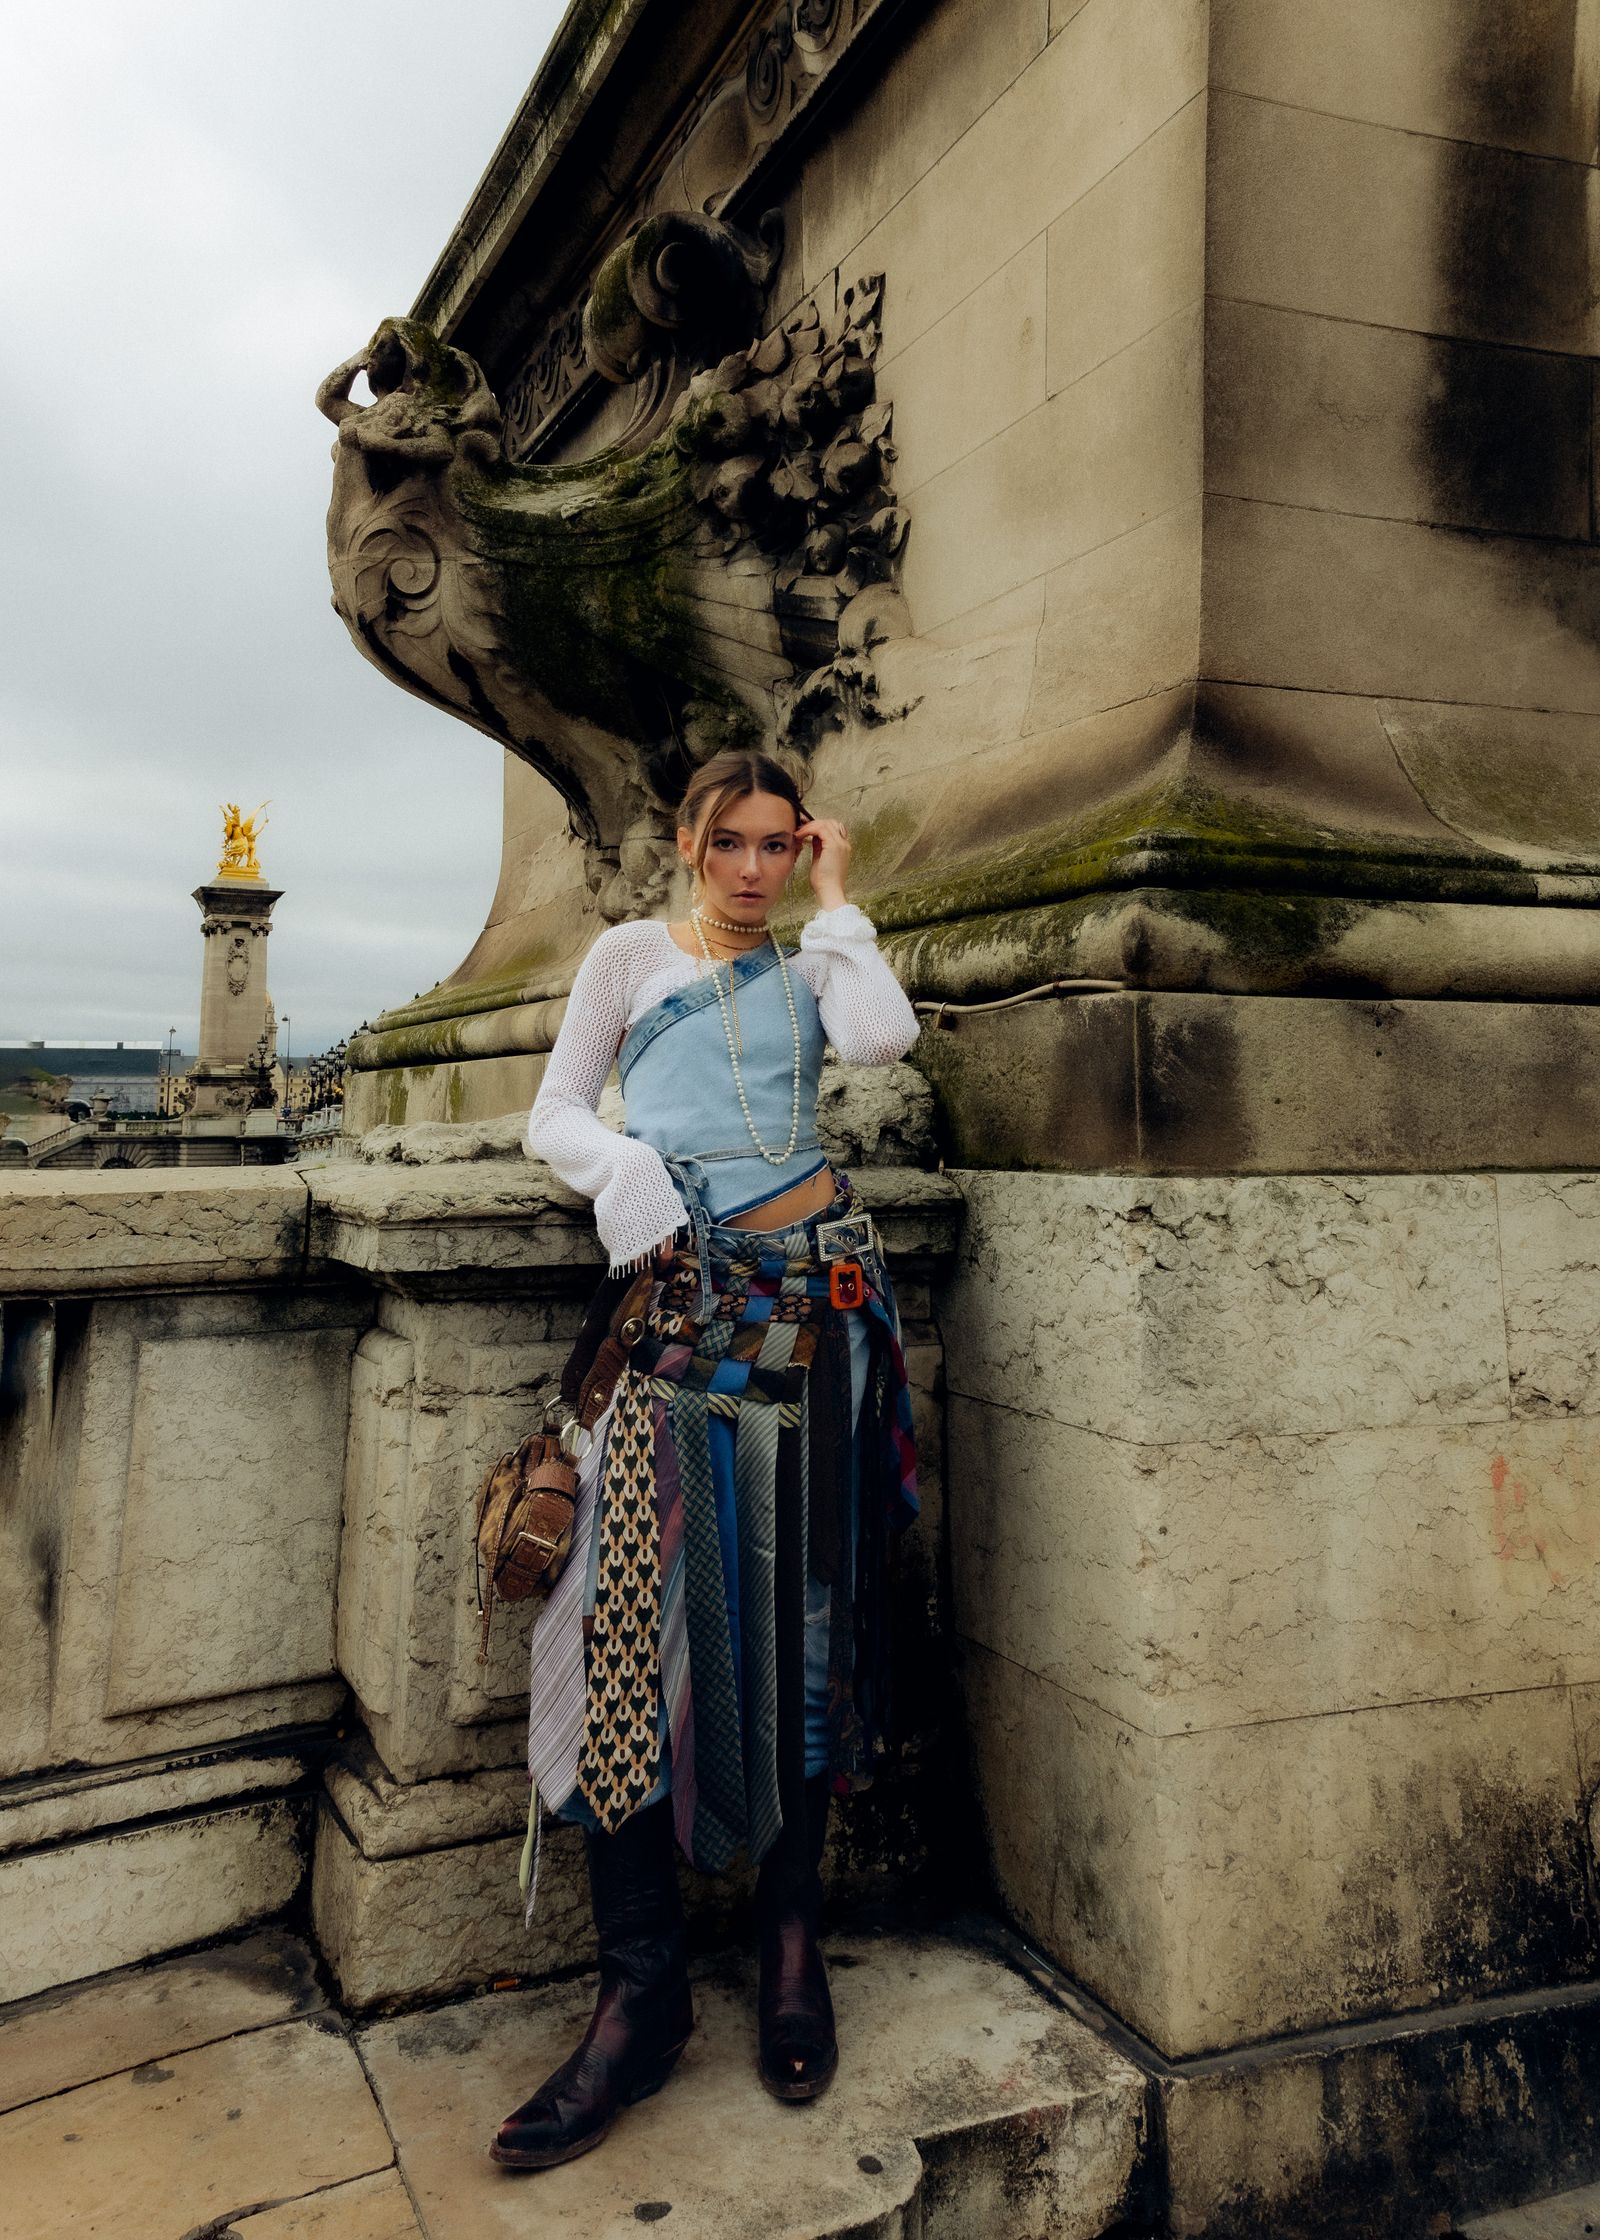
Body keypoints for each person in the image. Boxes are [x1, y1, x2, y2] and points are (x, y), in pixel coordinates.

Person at [493, 748, 922, 2172]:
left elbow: (881, 1044)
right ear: (686, 842)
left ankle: (792, 1942)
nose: (751, 870)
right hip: (678, 1320)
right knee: (625, 1620)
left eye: (776, 847)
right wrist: (623, 1170)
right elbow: (554, 1110)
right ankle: (642, 1989)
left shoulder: (814, 968)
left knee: (802, 1623)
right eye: (728, 844)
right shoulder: (626, 955)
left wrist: (842, 899)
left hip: (819, 1316)